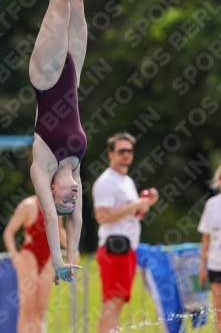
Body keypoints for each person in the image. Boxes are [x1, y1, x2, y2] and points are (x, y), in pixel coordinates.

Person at [29, 0, 90, 284]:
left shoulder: (44, 165)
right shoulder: (78, 167)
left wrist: (56, 262)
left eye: (64, 199)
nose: (70, 200)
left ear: (53, 189)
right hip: (74, 75)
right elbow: (74, 222)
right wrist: (72, 253)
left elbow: (52, 217)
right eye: (73, 200)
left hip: (48, 77)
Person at [92, 132, 159, 333]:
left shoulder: (127, 181)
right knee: (112, 304)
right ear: (111, 154)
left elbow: (131, 214)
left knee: (117, 304)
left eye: (129, 150)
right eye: (121, 151)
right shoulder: (106, 182)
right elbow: (102, 217)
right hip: (114, 250)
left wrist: (144, 204)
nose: (126, 154)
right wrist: (135, 205)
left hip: (126, 248)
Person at [3, 195, 71, 333]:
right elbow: (9, 231)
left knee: (40, 310)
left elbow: (58, 231)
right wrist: (14, 255)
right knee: (28, 307)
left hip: (46, 258)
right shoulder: (28, 205)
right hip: (29, 256)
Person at [198, 163, 221, 333]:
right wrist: (202, 267)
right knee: (219, 313)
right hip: (216, 263)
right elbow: (205, 237)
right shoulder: (212, 205)